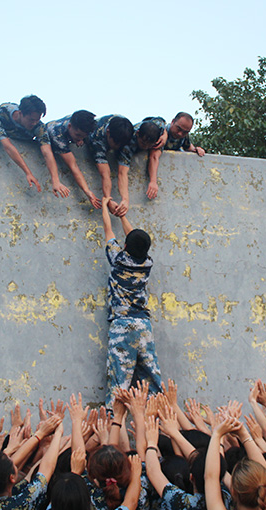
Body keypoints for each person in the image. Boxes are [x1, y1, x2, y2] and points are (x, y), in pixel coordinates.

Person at [100, 196, 162, 406]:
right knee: (152, 382)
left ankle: (112, 426)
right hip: (144, 325)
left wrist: (105, 207)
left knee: (119, 382)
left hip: (122, 326)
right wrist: (124, 217)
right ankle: (162, 426)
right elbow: (135, 241)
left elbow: (109, 233)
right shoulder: (147, 263)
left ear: (125, 246)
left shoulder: (118, 260)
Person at [0, 95, 68, 199]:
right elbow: (8, 147)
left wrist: (55, 181)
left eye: (37, 120)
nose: (34, 123)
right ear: (20, 113)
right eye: (30, 119)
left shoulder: (39, 127)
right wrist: (28, 173)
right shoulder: (2, 112)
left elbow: (47, 153)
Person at [45, 110, 101, 208]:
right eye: (78, 135)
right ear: (70, 126)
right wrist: (87, 191)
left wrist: (79, 139)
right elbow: (73, 166)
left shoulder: (80, 121)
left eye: (83, 136)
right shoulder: (57, 134)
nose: (80, 139)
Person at [88, 116, 134, 216]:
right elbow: (105, 173)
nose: (117, 147)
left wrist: (125, 200)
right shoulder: (96, 137)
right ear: (108, 132)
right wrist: (108, 199)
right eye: (116, 143)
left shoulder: (126, 132)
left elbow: (122, 172)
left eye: (121, 145)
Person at [117, 117, 169, 202]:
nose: (146, 147)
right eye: (143, 143)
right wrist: (125, 199)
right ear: (137, 134)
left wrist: (165, 135)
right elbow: (122, 173)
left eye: (150, 145)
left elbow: (161, 121)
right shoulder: (128, 144)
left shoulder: (159, 126)